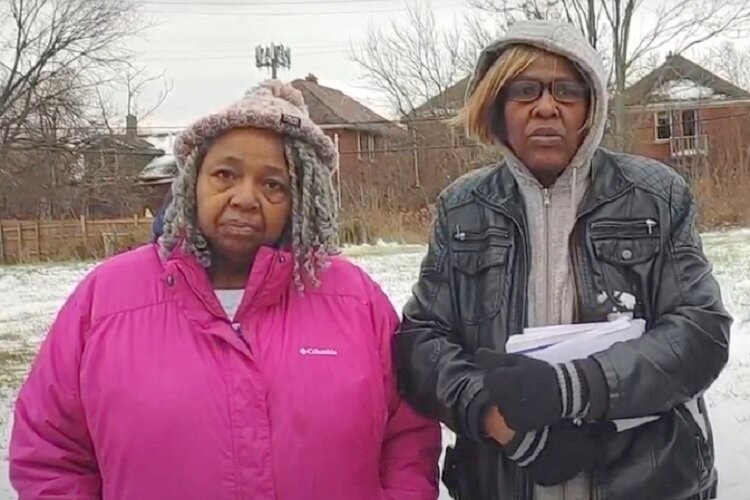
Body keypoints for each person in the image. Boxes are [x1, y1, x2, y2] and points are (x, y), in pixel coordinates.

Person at [9, 80, 441, 500]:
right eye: (224, 175)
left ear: (303, 199)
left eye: (273, 184)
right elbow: (50, 453)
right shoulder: (106, 298)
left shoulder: (356, 300)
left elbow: (407, 444)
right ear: (193, 181)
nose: (245, 198)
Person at [395, 19, 731, 500]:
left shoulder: (656, 196)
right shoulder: (461, 207)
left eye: (567, 91)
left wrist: (573, 386)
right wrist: (501, 419)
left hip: (647, 480)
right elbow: (421, 344)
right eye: (525, 90)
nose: (547, 107)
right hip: (503, 479)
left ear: (591, 106)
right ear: (497, 106)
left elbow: (700, 332)